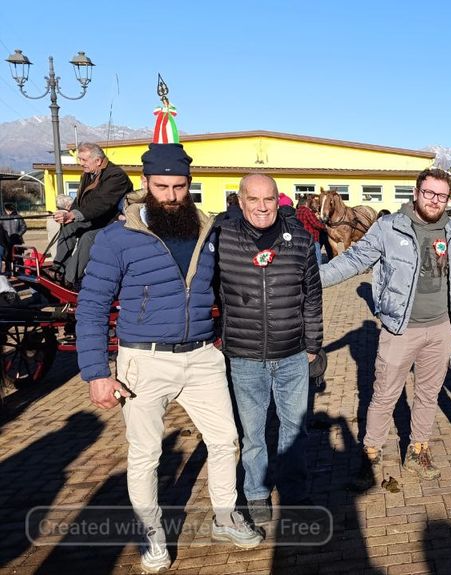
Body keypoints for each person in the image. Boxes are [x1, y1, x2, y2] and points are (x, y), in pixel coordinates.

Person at [76, 143, 262, 573]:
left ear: (189, 184)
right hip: (144, 361)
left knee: (225, 440)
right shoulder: (118, 238)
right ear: (145, 183)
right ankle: (152, 534)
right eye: (162, 187)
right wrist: (96, 372)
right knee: (145, 454)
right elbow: (91, 307)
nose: (172, 196)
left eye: (179, 186)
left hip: (202, 357)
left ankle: (225, 517)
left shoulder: (207, 230)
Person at [320, 168, 451, 489]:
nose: (434, 200)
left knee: (428, 394)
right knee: (384, 395)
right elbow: (353, 260)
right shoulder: (389, 227)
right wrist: (312, 277)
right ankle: (371, 451)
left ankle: (418, 450)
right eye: (429, 193)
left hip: (441, 328)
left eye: (441, 195)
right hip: (400, 328)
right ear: (416, 193)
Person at [217, 173, 323, 524]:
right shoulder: (223, 239)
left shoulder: (300, 240)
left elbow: (313, 297)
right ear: (241, 201)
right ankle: (257, 492)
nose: (262, 207)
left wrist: (313, 344)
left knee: (294, 429)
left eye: (269, 199)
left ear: (278, 201)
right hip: (245, 356)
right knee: (253, 433)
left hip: (293, 353)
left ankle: (294, 491)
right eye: (253, 199)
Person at [53, 142, 133, 286]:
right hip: (98, 219)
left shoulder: (116, 176)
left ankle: (70, 279)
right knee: (68, 228)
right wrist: (68, 215)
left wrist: (74, 215)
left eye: (84, 160)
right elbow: (80, 200)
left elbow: (101, 203)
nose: (80, 163)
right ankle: (58, 269)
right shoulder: (88, 174)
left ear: (98, 161)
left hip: (115, 222)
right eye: (79, 159)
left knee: (88, 237)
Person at [295, 196, 327, 265]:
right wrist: (325, 227)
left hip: (301, 238)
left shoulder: (297, 211)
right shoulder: (307, 211)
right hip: (312, 238)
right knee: (317, 256)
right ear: (306, 203)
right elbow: (315, 223)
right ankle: (318, 268)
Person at [2, 203, 27, 273]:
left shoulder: (18, 217)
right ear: (5, 209)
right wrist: (4, 237)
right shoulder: (2, 218)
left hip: (17, 240)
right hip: (7, 241)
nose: (10, 212)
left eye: (11, 210)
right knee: (7, 256)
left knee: (19, 256)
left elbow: (24, 227)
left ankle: (21, 270)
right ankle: (8, 271)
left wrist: (18, 235)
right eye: (8, 210)